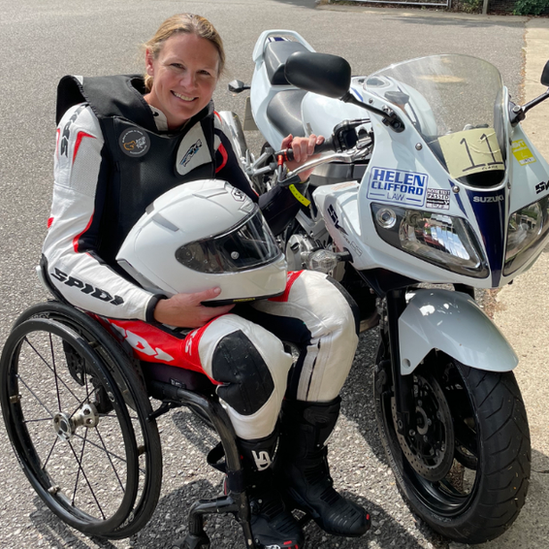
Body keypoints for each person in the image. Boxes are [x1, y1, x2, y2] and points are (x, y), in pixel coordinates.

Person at [42, 13, 370, 548]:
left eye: (205, 74)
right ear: (149, 63)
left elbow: (251, 224)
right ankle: (257, 492)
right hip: (134, 301)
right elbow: (62, 256)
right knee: (252, 354)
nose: (189, 86)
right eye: (176, 67)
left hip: (219, 279)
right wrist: (153, 307)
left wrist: (297, 183)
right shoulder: (90, 123)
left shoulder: (214, 127)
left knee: (334, 312)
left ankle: (303, 473)